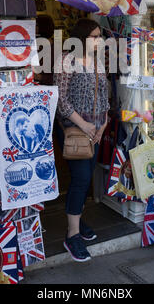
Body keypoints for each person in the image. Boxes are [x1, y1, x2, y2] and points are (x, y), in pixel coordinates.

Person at [53, 18, 109, 262]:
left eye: (100, 36)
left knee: (85, 180)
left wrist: (103, 125)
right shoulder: (66, 60)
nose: (99, 40)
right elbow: (60, 100)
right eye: (94, 36)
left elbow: (105, 96)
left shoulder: (98, 62)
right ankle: (72, 235)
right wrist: (84, 124)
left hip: (95, 130)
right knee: (81, 178)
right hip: (75, 129)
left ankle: (76, 218)